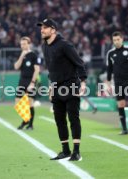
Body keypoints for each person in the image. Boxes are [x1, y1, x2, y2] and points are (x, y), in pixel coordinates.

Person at [37, 18, 87, 161]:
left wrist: (82, 83)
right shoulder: (44, 46)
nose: (42, 29)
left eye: (45, 27)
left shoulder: (65, 45)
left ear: (53, 30)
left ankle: (76, 152)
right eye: (41, 27)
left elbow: (79, 63)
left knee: (73, 118)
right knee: (59, 120)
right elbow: (51, 68)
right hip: (57, 87)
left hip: (71, 85)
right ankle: (65, 150)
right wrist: (51, 85)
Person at [14, 36, 40, 130]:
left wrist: (32, 83)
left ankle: (30, 125)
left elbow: (37, 70)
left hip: (31, 81)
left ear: (29, 44)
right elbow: (16, 67)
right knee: (17, 103)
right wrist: (21, 56)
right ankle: (26, 120)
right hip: (22, 81)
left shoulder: (34, 55)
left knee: (30, 103)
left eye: (24, 44)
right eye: (21, 44)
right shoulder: (21, 54)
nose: (22, 46)